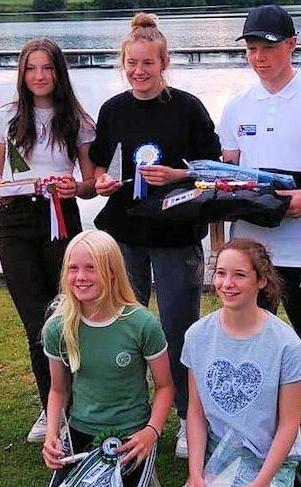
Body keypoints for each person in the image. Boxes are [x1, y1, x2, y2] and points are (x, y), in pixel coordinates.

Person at [218, 4, 301, 485]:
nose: (259, 57)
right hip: (250, 253)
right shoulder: (236, 106)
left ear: (292, 45)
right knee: (253, 348)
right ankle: (262, 439)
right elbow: (227, 173)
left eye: (269, 47)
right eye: (252, 48)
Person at [90, 12, 221, 458]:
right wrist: (102, 182)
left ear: (165, 62)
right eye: (132, 63)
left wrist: (179, 174)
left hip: (176, 237)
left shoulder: (188, 107)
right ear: (122, 63)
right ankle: (132, 417)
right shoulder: (112, 110)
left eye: (148, 63)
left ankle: (188, 419)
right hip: (124, 235)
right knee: (124, 327)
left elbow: (212, 170)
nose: (139, 71)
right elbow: (98, 166)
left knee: (178, 329)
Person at [0, 38, 96, 444]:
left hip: (62, 217)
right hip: (15, 221)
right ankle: (50, 407)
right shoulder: (5, 117)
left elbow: (90, 184)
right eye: (31, 69)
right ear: (22, 74)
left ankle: (78, 405)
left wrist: (75, 186)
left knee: (67, 314)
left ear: (58, 72)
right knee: (35, 320)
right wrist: (0, 189)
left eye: (47, 68)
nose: (39, 76)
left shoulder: (78, 120)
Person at [40, 230, 175, 487]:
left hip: (129, 440)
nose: (81, 277)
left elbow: (166, 387)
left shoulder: (142, 324)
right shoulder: (59, 326)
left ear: (112, 271)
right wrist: (51, 437)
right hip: (79, 438)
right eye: (73, 268)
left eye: (91, 268)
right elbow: (59, 390)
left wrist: (150, 433)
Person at [182, 238, 301, 487]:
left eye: (239, 275)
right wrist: (195, 473)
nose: (227, 283)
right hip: (219, 455)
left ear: (261, 281)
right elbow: (196, 412)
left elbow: (290, 424)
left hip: (270, 461)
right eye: (221, 273)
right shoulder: (197, 336)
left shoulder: (287, 345)